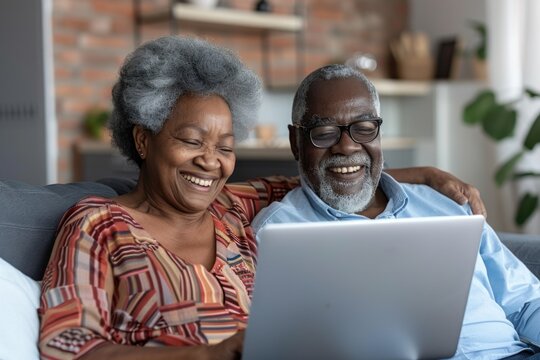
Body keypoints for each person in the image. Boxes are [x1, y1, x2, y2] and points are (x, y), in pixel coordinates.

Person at [39, 36, 486, 359]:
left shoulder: (232, 207)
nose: (210, 162)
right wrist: (207, 355)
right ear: (142, 140)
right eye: (192, 141)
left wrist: (423, 175)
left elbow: (320, 171)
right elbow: (67, 345)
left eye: (225, 147)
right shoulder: (97, 224)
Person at [251, 64, 540, 360]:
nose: (347, 147)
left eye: (364, 129)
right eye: (324, 133)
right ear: (295, 143)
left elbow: (527, 301)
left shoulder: (446, 203)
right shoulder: (277, 234)